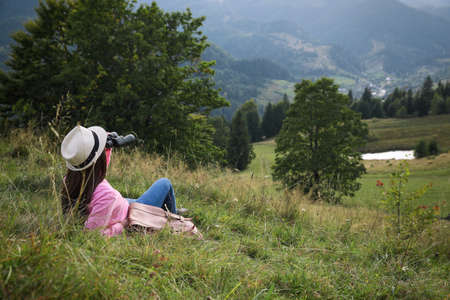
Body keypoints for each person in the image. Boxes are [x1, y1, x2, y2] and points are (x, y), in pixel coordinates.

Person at [60, 125, 184, 237]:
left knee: (130, 199)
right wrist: (123, 225)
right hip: (131, 215)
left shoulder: (70, 180)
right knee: (164, 183)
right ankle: (174, 223)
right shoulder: (107, 195)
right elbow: (93, 235)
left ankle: (171, 209)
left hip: (120, 205)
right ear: (98, 160)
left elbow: (97, 167)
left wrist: (107, 146)